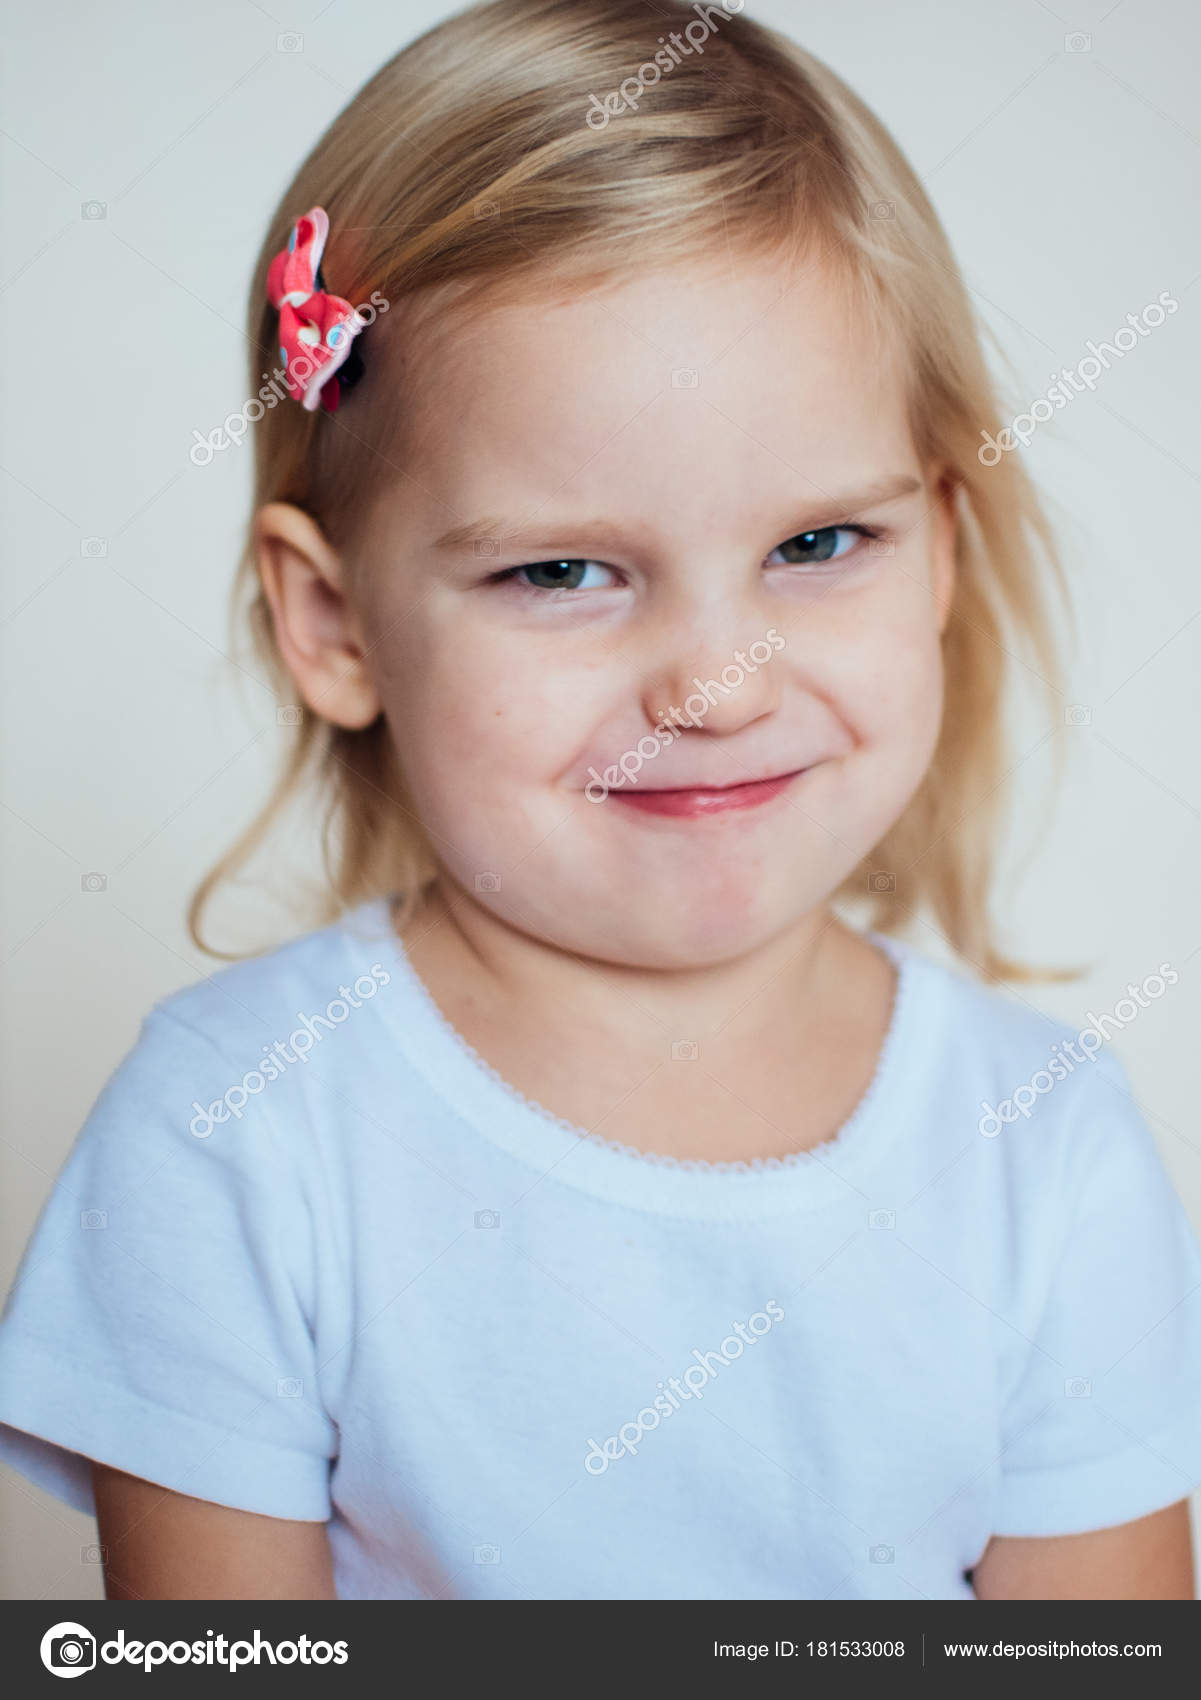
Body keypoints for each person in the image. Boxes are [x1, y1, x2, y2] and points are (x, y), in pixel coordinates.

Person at [2, 0, 1200, 1600]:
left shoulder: (1043, 1150)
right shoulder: (236, 1133)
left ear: (944, 549)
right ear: (335, 623)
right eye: (560, 570)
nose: (717, 687)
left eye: (816, 545)